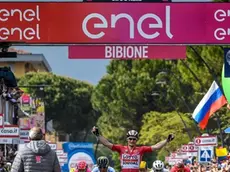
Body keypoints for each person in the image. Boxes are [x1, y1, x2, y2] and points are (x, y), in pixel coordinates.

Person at [92, 126, 174, 172]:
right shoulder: (121, 148)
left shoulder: (141, 149)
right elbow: (107, 143)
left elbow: (156, 146)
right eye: (130, 138)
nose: (132, 140)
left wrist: (167, 140)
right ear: (127, 139)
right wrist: (97, 135)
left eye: (134, 139)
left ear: (136, 140)